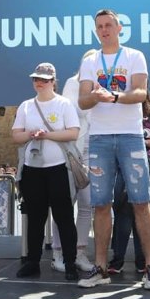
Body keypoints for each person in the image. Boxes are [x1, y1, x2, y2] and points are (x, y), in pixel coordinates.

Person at [77, 9, 150, 290]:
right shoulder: (90, 61)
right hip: (99, 138)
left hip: (130, 137)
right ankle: (100, 268)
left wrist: (113, 96)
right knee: (101, 204)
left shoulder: (134, 56)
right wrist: (95, 96)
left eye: (108, 25)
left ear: (119, 27)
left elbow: (140, 93)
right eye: (99, 26)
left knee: (141, 202)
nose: (104, 30)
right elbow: (83, 101)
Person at [12, 62, 80, 281]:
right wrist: (31, 134)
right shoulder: (26, 106)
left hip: (58, 168)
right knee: (35, 218)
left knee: (64, 217)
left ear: (53, 81)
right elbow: (16, 136)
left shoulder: (64, 104)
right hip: (32, 169)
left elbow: (73, 133)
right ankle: (32, 261)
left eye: (44, 79)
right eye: (36, 79)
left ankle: (70, 263)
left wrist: (46, 135)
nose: (39, 83)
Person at [108, 87, 150, 274]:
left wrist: (142, 142)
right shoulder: (118, 112)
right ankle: (117, 260)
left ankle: (143, 261)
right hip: (122, 171)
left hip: (149, 169)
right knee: (122, 215)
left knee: (143, 213)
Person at [50, 50, 97, 274]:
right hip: (72, 152)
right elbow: (74, 109)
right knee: (65, 204)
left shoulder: (104, 84)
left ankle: (80, 251)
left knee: (87, 204)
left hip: (93, 151)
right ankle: (58, 252)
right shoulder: (73, 82)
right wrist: (93, 97)